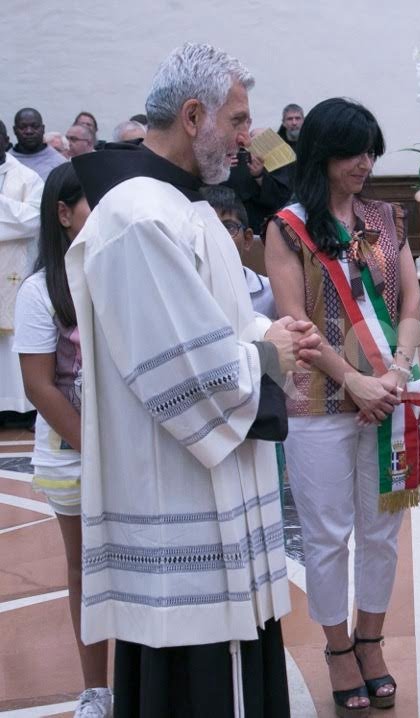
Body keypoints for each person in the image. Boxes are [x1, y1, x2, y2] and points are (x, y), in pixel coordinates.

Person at [65, 42, 321, 717]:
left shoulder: (186, 207)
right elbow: (183, 372)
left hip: (215, 495)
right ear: (192, 115)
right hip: (177, 504)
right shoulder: (137, 217)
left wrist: (269, 334)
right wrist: (266, 354)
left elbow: (213, 323)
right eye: (238, 120)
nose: (248, 137)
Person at [265, 97, 420, 717]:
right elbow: (295, 324)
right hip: (318, 401)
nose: (365, 163)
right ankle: (337, 649)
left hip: (388, 394)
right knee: (327, 534)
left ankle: (371, 641)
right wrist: (354, 381)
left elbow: (411, 304)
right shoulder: (288, 227)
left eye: (371, 152)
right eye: (353, 152)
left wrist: (397, 372)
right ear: (322, 154)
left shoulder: (386, 217)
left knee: (382, 532)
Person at [13, 163, 111, 718]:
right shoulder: (40, 290)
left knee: (138, 563)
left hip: (126, 448)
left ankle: (146, 682)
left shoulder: (116, 272)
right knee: (86, 567)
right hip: (74, 452)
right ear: (63, 214)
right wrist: (95, 451)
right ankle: (96, 688)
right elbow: (39, 386)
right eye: (93, 203)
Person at [0, 119, 43, 420]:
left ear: (6, 140)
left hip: (15, 273)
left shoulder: (28, 178)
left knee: (14, 339)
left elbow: (32, 220)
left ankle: (20, 408)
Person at [201, 184, 277, 319]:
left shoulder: (271, 293)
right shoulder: (184, 291)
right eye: (206, 227)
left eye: (228, 227)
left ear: (247, 239)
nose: (217, 236)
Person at [9, 108, 67, 179]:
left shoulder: (60, 164)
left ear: (43, 129)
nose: (29, 131)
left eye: (35, 126)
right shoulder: (5, 160)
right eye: (23, 127)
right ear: (14, 130)